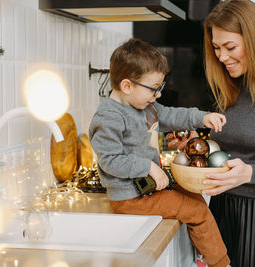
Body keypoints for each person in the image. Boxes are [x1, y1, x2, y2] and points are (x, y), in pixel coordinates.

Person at [168, 1, 255, 266]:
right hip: (222, 212)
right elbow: (229, 150)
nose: (222, 57)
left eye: (230, 47)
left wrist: (249, 173)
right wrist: (193, 144)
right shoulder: (232, 90)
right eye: (216, 48)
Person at [89, 38, 230, 267]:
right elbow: (110, 160)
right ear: (127, 86)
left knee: (196, 200)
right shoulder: (109, 117)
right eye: (154, 89)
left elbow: (172, 116)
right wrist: (149, 167)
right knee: (196, 210)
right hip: (130, 198)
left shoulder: (145, 106)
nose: (158, 95)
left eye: (160, 88)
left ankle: (202, 258)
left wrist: (202, 118)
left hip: (147, 189)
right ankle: (221, 264)